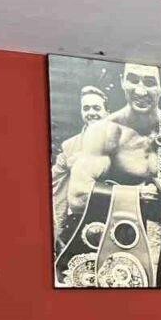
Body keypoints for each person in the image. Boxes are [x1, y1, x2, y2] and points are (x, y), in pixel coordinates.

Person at [64, 63, 161, 286]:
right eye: (133, 79)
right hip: (120, 252)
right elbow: (77, 196)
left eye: (149, 82)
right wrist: (137, 195)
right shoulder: (104, 132)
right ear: (122, 81)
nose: (140, 90)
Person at [51, 85, 108, 253]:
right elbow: (58, 193)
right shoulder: (69, 147)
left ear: (107, 111)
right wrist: (57, 234)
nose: (91, 113)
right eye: (86, 108)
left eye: (96, 108)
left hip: (117, 219)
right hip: (81, 223)